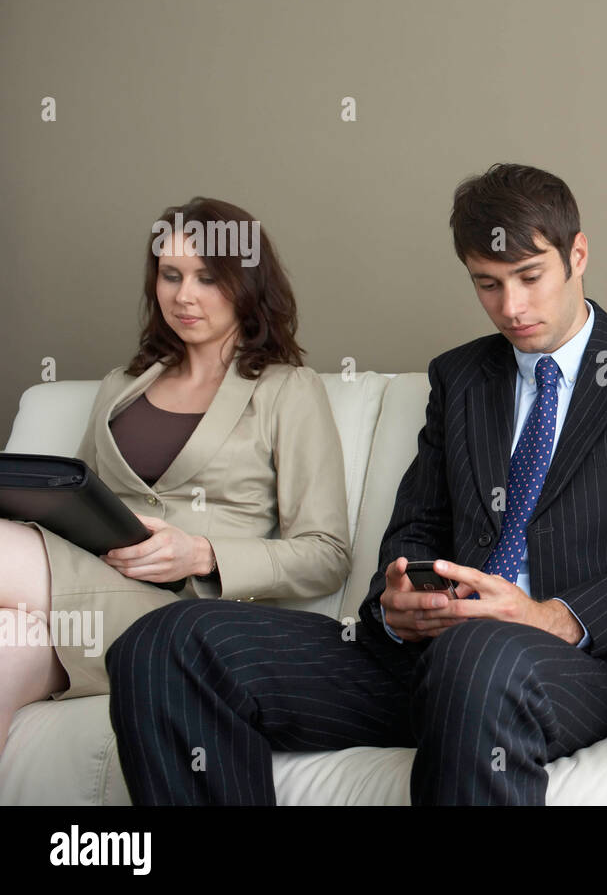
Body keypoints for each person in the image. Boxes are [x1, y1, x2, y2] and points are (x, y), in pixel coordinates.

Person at [106, 163, 607, 805]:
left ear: (578, 253)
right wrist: (396, 607)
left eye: (530, 277)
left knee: (482, 654)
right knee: (165, 644)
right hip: (430, 660)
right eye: (487, 284)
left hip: (582, 665)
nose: (510, 308)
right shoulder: (460, 378)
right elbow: (417, 527)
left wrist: (547, 616)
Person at [0, 197, 350, 759]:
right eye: (170, 275)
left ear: (246, 284)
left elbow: (328, 553)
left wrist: (203, 554)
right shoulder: (122, 384)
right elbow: (70, 498)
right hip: (92, 599)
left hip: (185, 616)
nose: (182, 295)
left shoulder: (288, 390)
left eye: (207, 277)